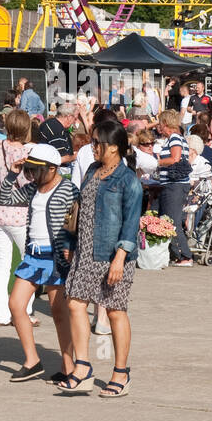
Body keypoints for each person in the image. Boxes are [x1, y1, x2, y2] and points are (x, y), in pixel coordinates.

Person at [62, 117, 143, 396]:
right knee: (74, 303)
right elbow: (80, 208)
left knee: (115, 311)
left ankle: (121, 372)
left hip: (112, 255)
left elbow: (131, 223)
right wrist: (71, 242)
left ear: (113, 148)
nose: (92, 146)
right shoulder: (93, 171)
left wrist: (120, 258)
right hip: (85, 252)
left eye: (97, 142)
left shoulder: (128, 179)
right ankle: (83, 367)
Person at [7, 143, 78, 383]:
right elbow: (5, 197)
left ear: (52, 168)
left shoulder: (68, 189)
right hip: (33, 255)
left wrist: (72, 246)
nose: (33, 175)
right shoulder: (32, 189)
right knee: (15, 304)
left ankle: (69, 366)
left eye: (37, 170)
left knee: (59, 313)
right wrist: (12, 172)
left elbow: (78, 219)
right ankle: (32, 360)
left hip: (57, 257)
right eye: (30, 170)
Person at [0, 108, 34, 326]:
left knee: (2, 264)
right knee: (28, 261)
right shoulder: (29, 151)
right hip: (20, 211)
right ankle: (25, 310)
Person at [152, 109, 192, 265]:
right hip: (173, 184)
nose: (158, 127)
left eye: (160, 123)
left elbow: (175, 158)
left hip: (174, 185)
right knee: (167, 218)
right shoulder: (178, 138)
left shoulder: (174, 138)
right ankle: (176, 253)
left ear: (165, 124)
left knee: (172, 220)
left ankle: (185, 256)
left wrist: (157, 162)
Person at [37, 100, 76, 165]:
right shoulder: (56, 129)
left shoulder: (52, 123)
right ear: (69, 117)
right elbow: (61, 158)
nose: (74, 121)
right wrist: (75, 156)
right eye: (74, 118)